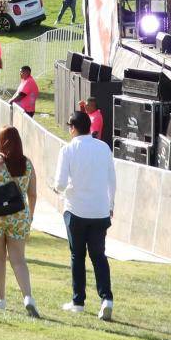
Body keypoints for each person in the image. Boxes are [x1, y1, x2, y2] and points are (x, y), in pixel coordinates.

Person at [54, 110, 115, 318]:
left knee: (77, 255)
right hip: (99, 210)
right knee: (99, 255)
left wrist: (56, 188)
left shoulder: (68, 150)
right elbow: (111, 180)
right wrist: (110, 204)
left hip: (76, 210)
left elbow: (60, 183)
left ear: (73, 128)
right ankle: (106, 298)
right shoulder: (103, 147)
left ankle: (78, 300)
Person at [0, 126, 37, 316]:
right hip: (19, 216)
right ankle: (28, 297)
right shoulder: (27, 164)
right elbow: (33, 194)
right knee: (19, 260)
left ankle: (0, 300)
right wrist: (30, 217)